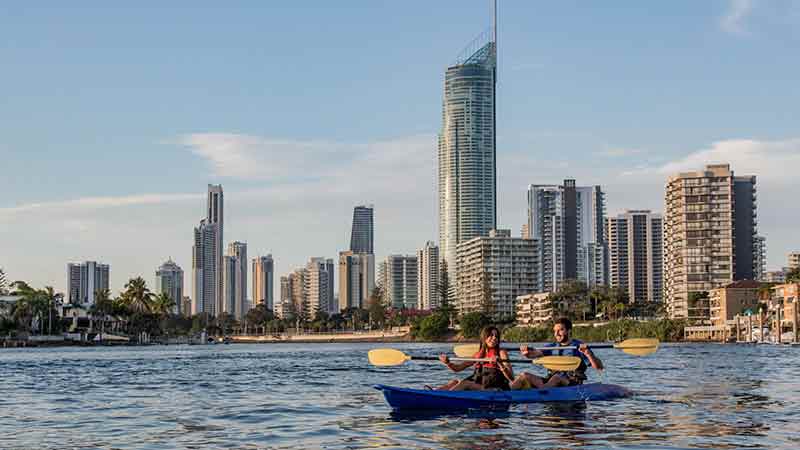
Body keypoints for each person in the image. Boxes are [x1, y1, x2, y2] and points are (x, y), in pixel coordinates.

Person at [511, 317, 603, 389]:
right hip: (550, 381)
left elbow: (599, 367)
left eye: (560, 330)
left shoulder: (579, 346)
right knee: (524, 375)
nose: (556, 334)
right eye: (555, 331)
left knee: (557, 378)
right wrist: (526, 353)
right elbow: (534, 354)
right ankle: (505, 394)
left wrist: (588, 354)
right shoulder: (552, 346)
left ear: (569, 331)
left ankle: (541, 393)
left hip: (571, 383)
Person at [435, 326, 514, 391]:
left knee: (465, 383)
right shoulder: (478, 355)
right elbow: (458, 368)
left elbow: (511, 378)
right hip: (480, 385)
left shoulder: (501, 353)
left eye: (496, 336)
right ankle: (433, 392)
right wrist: (447, 363)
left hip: (494, 388)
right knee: (454, 382)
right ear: (484, 338)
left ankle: (447, 397)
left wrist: (500, 364)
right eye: (491, 335)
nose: (494, 338)